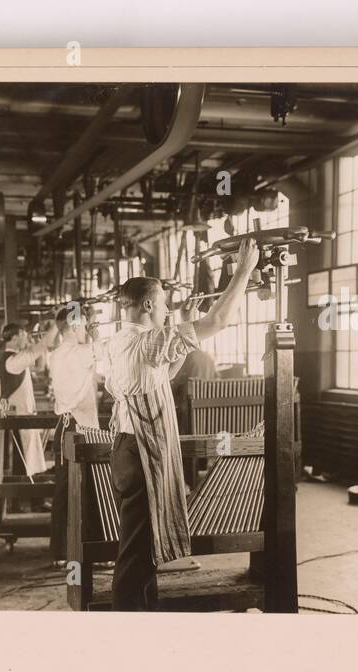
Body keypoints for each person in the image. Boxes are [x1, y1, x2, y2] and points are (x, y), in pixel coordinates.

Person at [101, 237, 260, 611]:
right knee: (135, 552)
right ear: (149, 304)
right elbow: (218, 320)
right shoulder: (148, 342)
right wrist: (243, 271)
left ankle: (145, 617)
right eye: (164, 304)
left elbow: (161, 374)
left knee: (143, 545)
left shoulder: (118, 342)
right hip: (142, 453)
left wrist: (182, 340)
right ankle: (123, 626)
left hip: (126, 449)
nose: (168, 309)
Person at [47, 304, 107, 562]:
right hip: (80, 428)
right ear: (73, 326)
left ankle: (61, 553)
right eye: (82, 325)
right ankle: (101, 550)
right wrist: (95, 330)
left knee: (64, 491)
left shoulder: (57, 354)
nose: (86, 330)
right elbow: (101, 350)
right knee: (95, 488)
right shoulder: (77, 352)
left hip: (67, 426)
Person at [0, 322, 51, 477]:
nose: (26, 337)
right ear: (14, 337)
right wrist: (45, 337)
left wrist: (34, 344)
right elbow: (38, 350)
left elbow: (40, 366)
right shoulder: (12, 360)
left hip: (25, 412)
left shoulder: (16, 358)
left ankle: (32, 497)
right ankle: (26, 497)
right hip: (19, 415)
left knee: (29, 458)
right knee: (22, 458)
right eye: (23, 335)